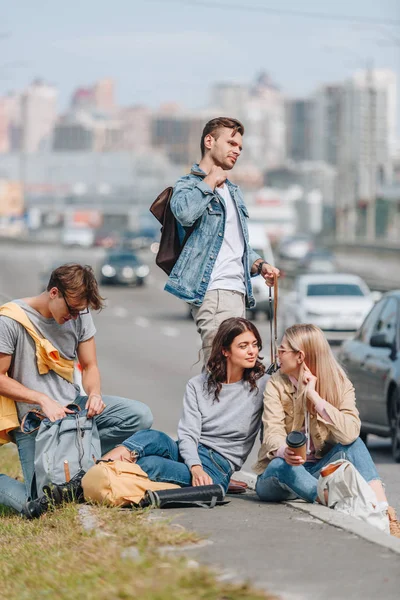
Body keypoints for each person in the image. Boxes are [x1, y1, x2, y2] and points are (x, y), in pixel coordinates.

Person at [0, 263, 153, 515]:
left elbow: (90, 366)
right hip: (34, 420)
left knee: (140, 415)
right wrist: (41, 398)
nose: (74, 316)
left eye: (79, 312)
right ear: (53, 293)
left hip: (74, 410)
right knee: (41, 505)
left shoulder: (80, 314)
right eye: (71, 310)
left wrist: (94, 394)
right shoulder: (11, 320)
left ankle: (82, 460)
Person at [102, 317, 269, 492]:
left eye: (255, 344)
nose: (252, 351)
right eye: (243, 346)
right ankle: (96, 472)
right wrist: (194, 466)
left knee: (149, 464)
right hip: (190, 453)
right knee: (150, 436)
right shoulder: (198, 384)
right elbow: (188, 434)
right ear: (225, 351)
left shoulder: (264, 385)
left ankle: (101, 480)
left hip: (216, 467)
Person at [164, 116, 280, 364]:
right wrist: (209, 182)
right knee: (221, 375)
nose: (237, 150)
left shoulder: (233, 191)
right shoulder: (189, 184)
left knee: (236, 376)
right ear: (209, 141)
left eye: (239, 147)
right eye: (231, 143)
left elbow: (236, 246)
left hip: (237, 293)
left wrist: (260, 266)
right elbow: (183, 213)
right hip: (214, 292)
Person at [254, 324, 390, 514]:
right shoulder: (276, 384)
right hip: (282, 475)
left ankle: (385, 511)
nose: (277, 354)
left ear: (300, 356)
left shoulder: (339, 382)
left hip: (320, 470)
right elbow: (272, 432)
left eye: (282, 350)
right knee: (279, 464)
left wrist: (316, 399)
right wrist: (285, 451)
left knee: (355, 445)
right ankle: (337, 504)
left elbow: (350, 433)